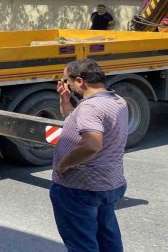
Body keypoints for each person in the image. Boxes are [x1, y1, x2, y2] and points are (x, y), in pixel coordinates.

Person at [52, 59, 128, 252]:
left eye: (67, 80)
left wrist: (63, 165)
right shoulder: (116, 100)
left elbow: (92, 144)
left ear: (80, 81)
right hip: (108, 182)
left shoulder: (91, 107)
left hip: (80, 186)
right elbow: (75, 121)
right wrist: (66, 100)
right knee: (107, 236)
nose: (65, 83)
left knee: (82, 243)